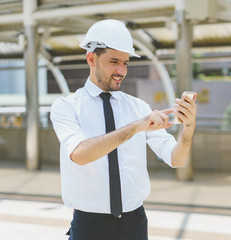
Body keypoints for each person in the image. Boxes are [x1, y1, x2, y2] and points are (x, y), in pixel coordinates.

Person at [50, 19, 197, 240]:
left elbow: (176, 159)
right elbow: (80, 154)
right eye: (114, 61)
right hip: (90, 226)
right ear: (91, 58)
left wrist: (188, 127)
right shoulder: (66, 107)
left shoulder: (139, 107)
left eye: (126, 63)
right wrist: (137, 126)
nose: (121, 70)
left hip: (134, 224)